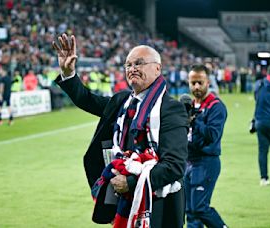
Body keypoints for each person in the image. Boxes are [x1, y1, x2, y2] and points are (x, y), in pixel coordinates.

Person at [52, 33, 188, 228]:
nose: (132, 69)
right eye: (128, 65)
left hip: (158, 204)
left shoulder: (170, 109)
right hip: (122, 199)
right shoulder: (123, 101)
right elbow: (86, 99)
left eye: (139, 63)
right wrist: (68, 73)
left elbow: (175, 166)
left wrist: (131, 183)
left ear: (157, 69)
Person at [184, 64, 228, 228]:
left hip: (206, 162)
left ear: (208, 82)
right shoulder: (189, 106)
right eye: (193, 82)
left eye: (200, 82)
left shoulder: (216, 106)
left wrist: (195, 121)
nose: (196, 87)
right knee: (190, 211)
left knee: (200, 208)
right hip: (188, 161)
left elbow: (213, 135)